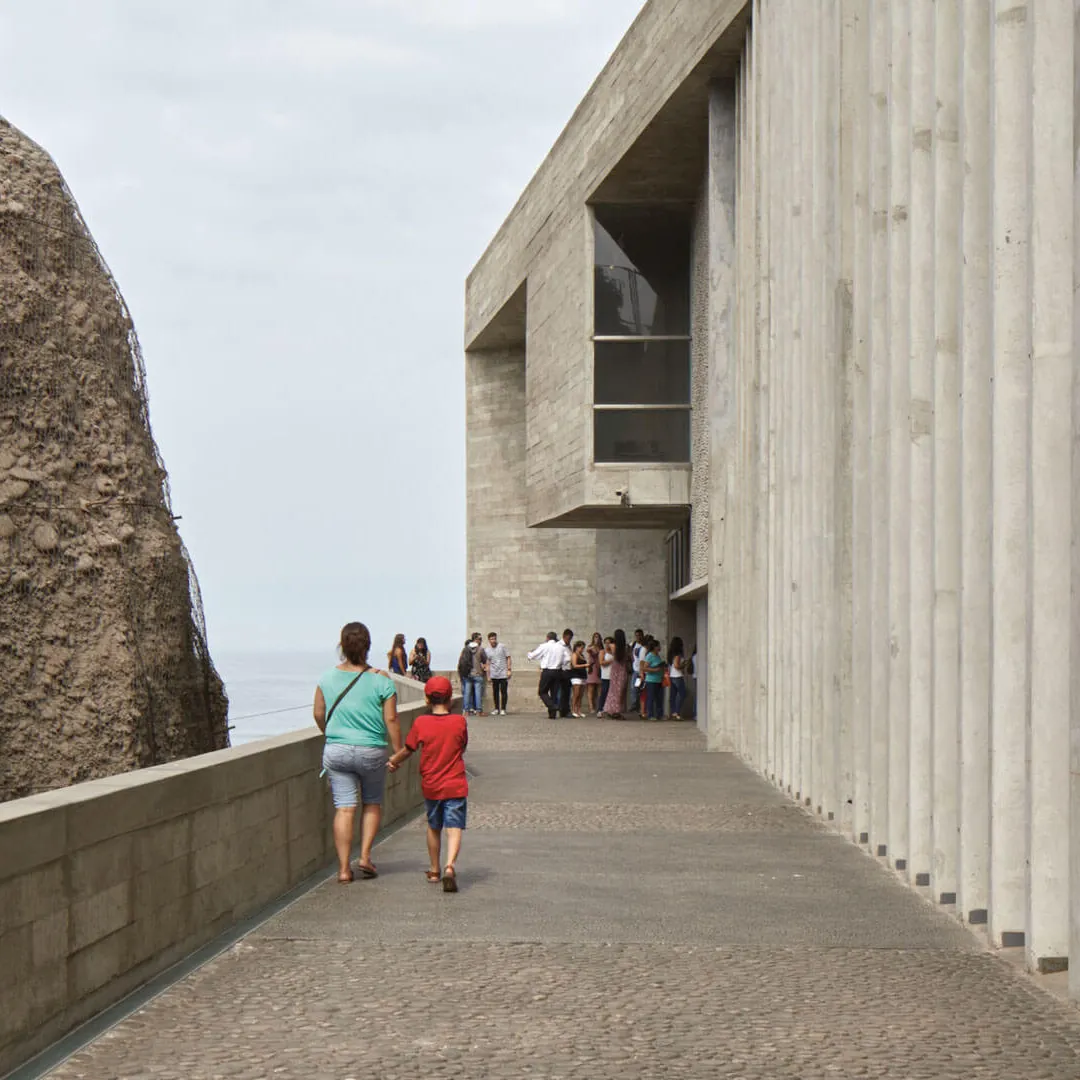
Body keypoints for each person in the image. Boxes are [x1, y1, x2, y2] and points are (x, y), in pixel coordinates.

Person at [313, 621, 402, 883]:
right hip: (371, 750)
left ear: (341, 646)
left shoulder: (327, 677)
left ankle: (343, 869)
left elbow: (318, 713)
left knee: (344, 808)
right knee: (372, 802)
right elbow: (392, 720)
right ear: (368, 647)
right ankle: (364, 857)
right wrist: (398, 751)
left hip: (337, 750)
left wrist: (331, 733)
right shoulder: (381, 680)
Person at [387, 676, 467, 893]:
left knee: (434, 827)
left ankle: (434, 870)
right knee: (454, 826)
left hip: (432, 785)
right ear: (450, 699)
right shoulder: (459, 721)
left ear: (427, 699)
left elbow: (408, 749)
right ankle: (450, 866)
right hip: (456, 783)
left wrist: (394, 760)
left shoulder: (421, 723)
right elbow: (462, 747)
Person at [528, 631, 564, 718]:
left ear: (547, 638)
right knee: (554, 693)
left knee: (542, 691)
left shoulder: (544, 646)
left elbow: (533, 655)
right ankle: (552, 715)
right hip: (557, 671)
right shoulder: (560, 647)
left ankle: (553, 706)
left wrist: (529, 653)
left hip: (547, 671)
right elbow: (566, 659)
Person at [484, 631, 512, 715]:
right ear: (489, 640)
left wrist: (509, 670)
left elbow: (508, 658)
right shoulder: (487, 650)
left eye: (494, 639)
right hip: (494, 673)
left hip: (503, 673)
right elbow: (487, 663)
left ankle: (503, 709)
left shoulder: (502, 646)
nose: (493, 640)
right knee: (495, 692)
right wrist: (488, 675)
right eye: (491, 639)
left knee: (503, 691)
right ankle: (496, 708)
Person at [605, 628, 629, 719]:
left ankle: (611, 709)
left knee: (613, 690)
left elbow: (607, 650)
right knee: (620, 691)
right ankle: (617, 710)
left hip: (615, 668)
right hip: (622, 669)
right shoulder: (625, 647)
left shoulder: (612, 645)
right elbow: (627, 658)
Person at [642, 636, 666, 721]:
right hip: (651, 680)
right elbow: (644, 668)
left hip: (659, 679)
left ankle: (660, 714)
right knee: (651, 698)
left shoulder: (657, 655)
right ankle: (650, 714)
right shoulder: (649, 656)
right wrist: (655, 669)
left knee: (659, 698)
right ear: (654, 647)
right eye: (658, 646)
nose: (660, 647)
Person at [667, 636, 687, 720]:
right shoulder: (678, 655)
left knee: (673, 695)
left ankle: (673, 712)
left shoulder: (671, 654)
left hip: (672, 676)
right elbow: (676, 666)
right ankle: (677, 712)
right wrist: (684, 664)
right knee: (682, 694)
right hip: (678, 676)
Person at [627, 629, 647, 714]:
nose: (638, 637)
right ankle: (634, 704)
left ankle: (640, 707)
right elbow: (628, 652)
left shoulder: (645, 646)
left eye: (640, 635)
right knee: (634, 687)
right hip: (636, 670)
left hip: (642, 670)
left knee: (642, 689)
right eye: (637, 635)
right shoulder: (633, 644)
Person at [569, 640, 589, 717]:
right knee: (576, 694)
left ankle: (579, 710)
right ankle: (573, 710)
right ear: (577, 647)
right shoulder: (574, 654)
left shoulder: (582, 655)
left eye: (583, 648)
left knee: (581, 695)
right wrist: (585, 665)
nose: (582, 649)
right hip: (576, 675)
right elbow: (574, 665)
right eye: (581, 648)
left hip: (583, 675)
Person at [558, 628, 574, 718]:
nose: (569, 640)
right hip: (562, 670)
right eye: (568, 638)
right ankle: (562, 710)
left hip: (568, 671)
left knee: (567, 692)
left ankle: (565, 710)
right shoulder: (559, 646)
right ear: (564, 636)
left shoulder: (568, 646)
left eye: (570, 639)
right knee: (563, 692)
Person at [597, 635, 615, 716]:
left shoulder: (613, 653)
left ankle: (610, 709)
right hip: (606, 675)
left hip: (613, 675)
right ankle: (600, 709)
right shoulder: (602, 652)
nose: (607, 645)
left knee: (612, 693)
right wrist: (611, 660)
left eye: (609, 643)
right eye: (606, 643)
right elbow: (601, 662)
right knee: (604, 692)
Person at [586, 632, 603, 714]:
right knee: (591, 689)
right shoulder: (590, 646)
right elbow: (588, 650)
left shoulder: (602, 647)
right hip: (592, 668)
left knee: (600, 688)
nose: (596, 638)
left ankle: (600, 707)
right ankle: (591, 707)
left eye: (598, 637)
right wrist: (594, 646)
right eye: (595, 637)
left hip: (600, 668)